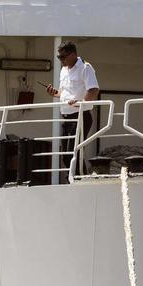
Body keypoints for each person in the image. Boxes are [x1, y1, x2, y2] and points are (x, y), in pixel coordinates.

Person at [44, 42, 100, 182]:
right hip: (67, 116)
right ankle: (77, 178)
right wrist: (54, 93)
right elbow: (63, 93)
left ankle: (80, 179)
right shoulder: (64, 70)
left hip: (81, 116)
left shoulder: (85, 67)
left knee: (74, 152)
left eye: (63, 57)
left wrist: (80, 104)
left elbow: (93, 90)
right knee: (66, 154)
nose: (61, 60)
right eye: (59, 57)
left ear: (73, 54)